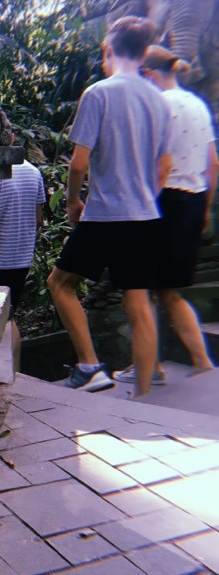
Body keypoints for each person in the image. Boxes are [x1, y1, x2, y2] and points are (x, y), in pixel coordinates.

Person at [47, 16, 172, 397]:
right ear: (144, 52)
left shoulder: (99, 93)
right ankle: (145, 397)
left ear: (108, 50)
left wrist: (72, 202)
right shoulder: (159, 99)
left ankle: (89, 366)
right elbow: (165, 167)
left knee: (60, 284)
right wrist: (142, 193)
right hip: (146, 216)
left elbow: (80, 163)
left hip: (104, 214)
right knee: (138, 300)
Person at [113, 45, 219, 384]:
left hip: (162, 201)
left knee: (138, 289)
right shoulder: (197, 104)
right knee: (170, 291)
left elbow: (156, 163)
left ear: (147, 73)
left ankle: (148, 369)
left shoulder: (158, 104)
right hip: (193, 200)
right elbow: (213, 163)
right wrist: (205, 209)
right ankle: (203, 362)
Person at [0, 160, 46, 371]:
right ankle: (15, 372)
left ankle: (4, 375)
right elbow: (38, 218)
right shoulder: (34, 173)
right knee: (9, 317)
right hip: (21, 258)